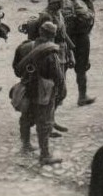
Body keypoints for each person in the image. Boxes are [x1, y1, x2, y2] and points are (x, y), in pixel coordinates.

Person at [13, 21, 66, 165]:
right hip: (44, 91)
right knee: (45, 122)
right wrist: (60, 92)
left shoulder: (25, 47)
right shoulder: (51, 51)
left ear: (40, 32)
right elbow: (58, 76)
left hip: (27, 87)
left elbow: (16, 69)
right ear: (53, 35)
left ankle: (26, 144)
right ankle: (45, 155)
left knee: (26, 116)